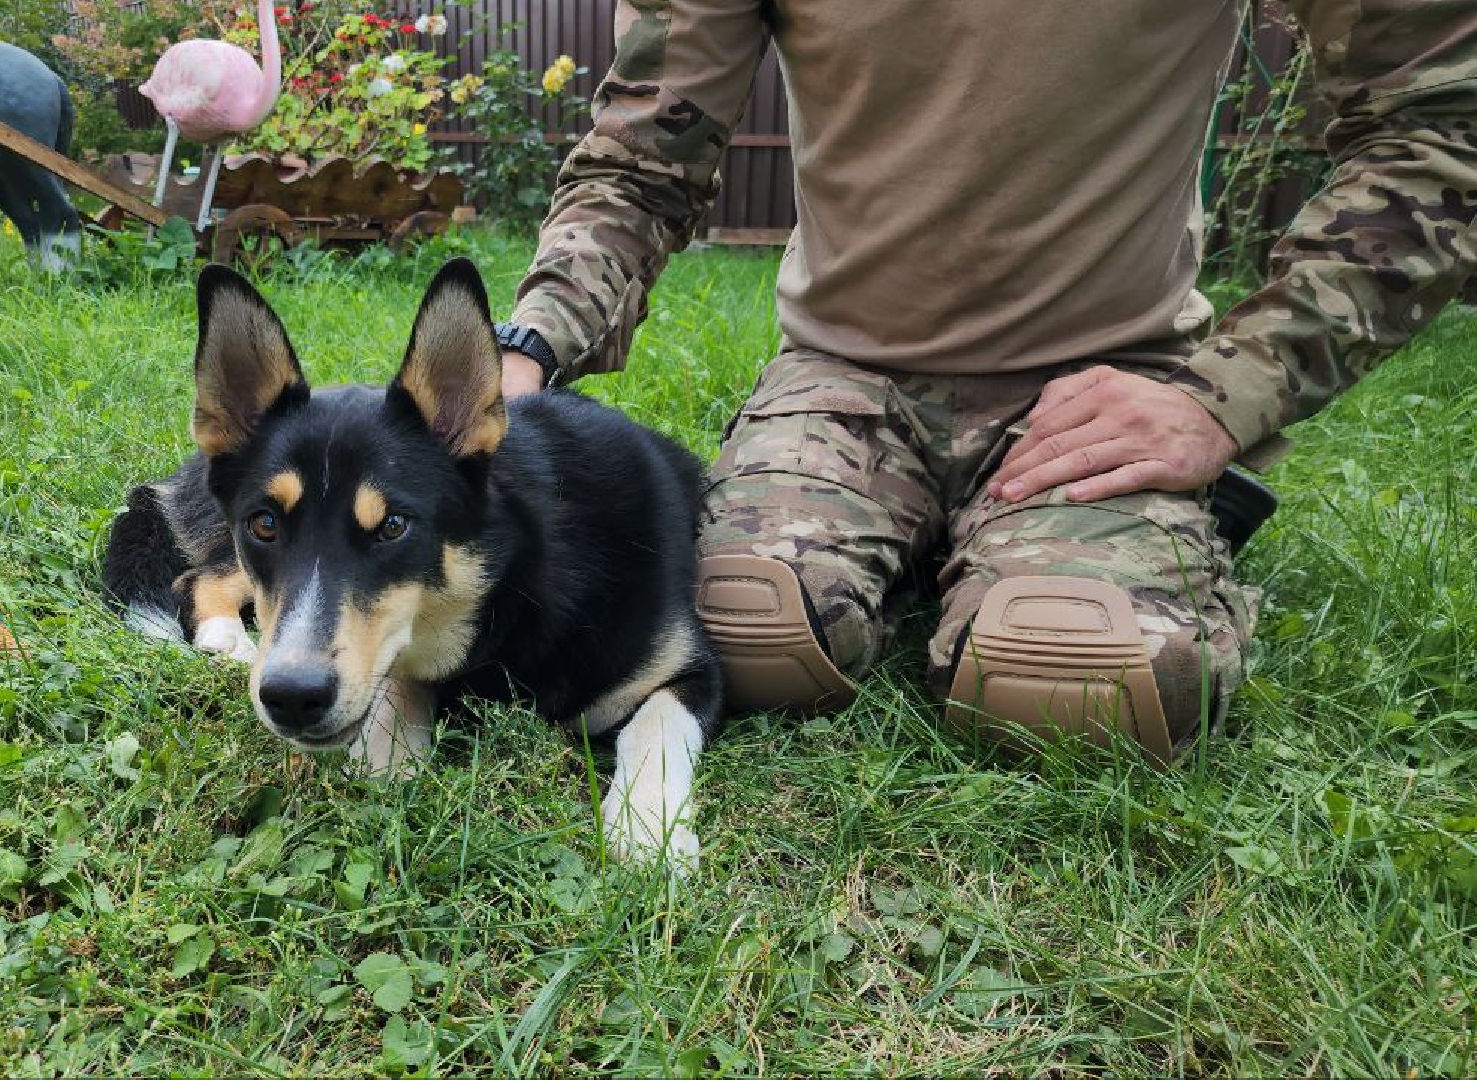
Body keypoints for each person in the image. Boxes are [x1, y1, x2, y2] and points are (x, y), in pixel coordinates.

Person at [488, 1, 1477, 764]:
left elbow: (1436, 128)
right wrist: (528, 348)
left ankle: (1060, 554)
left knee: (1075, 683)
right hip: (846, 376)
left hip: (1100, 385)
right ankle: (935, 537)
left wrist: (1227, 394)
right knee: (738, 637)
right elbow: (642, 159)